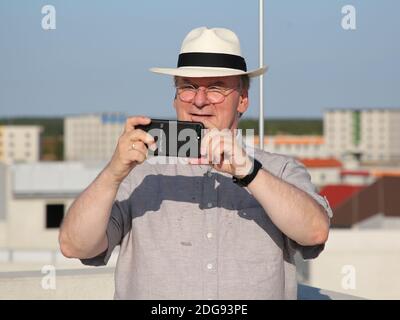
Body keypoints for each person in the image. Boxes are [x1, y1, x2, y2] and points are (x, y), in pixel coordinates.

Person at [59, 26, 332, 300]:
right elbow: (75, 246)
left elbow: (315, 232)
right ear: (175, 98)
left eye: (216, 88)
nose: (199, 101)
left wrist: (250, 173)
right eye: (187, 87)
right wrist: (113, 173)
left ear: (243, 100)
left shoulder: (279, 170)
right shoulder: (139, 172)